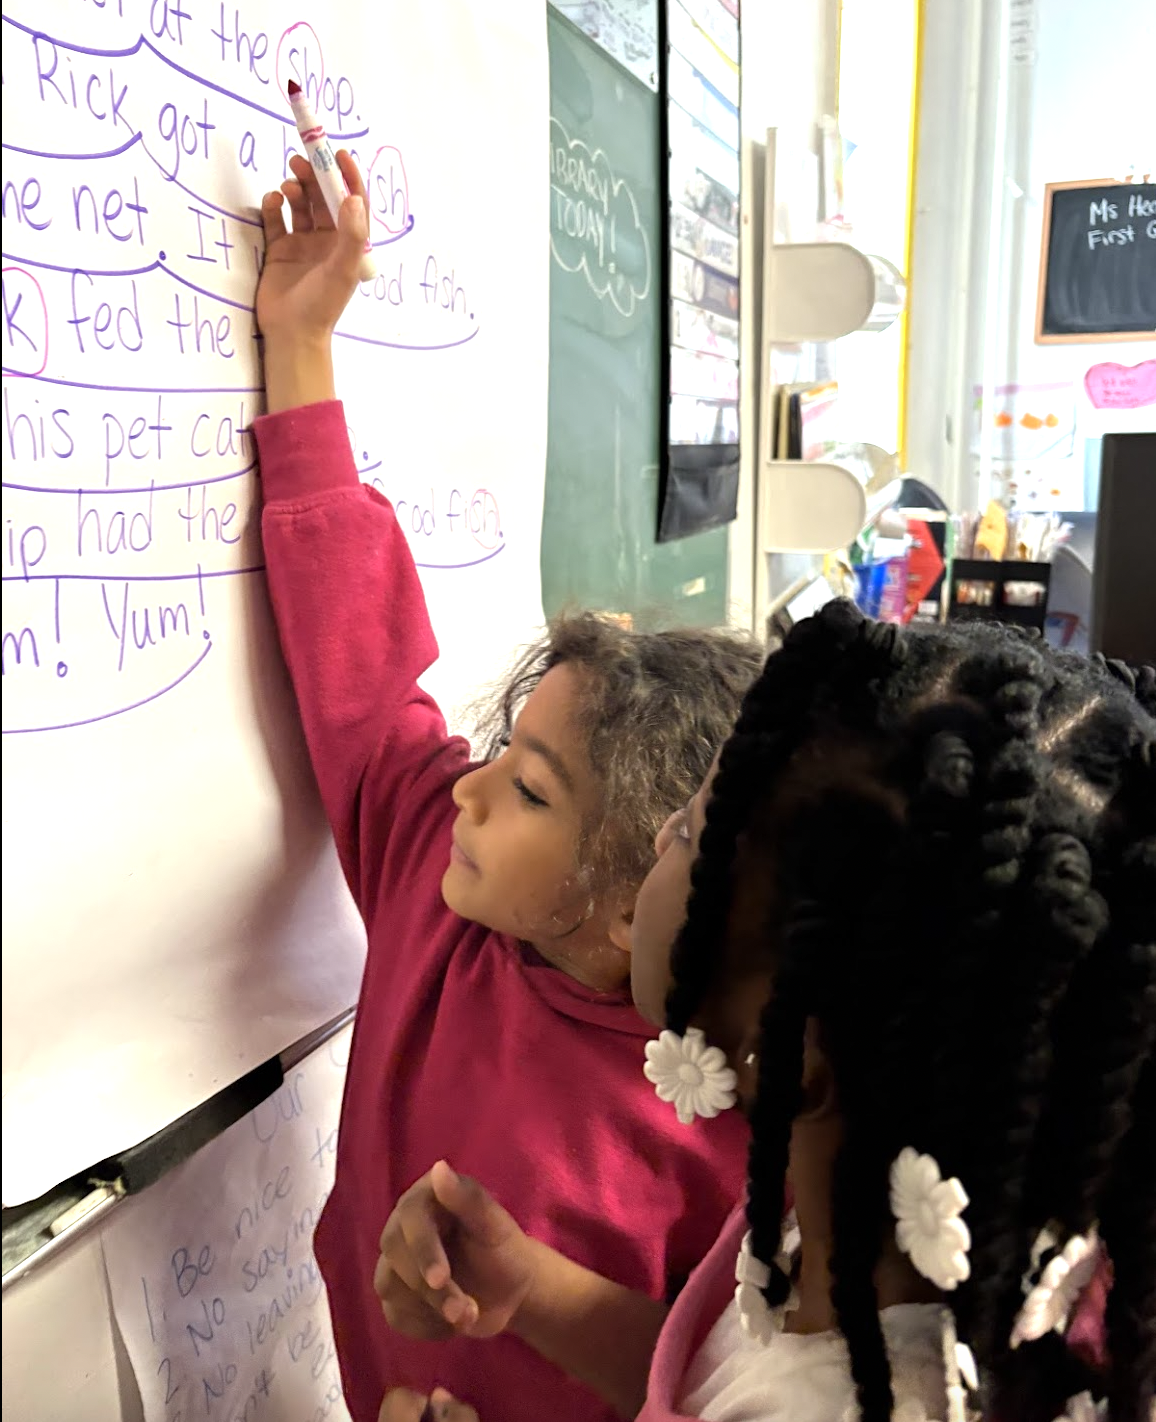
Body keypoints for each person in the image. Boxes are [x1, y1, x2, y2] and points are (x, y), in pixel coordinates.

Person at [253, 153, 759, 1422]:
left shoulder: (732, 1125)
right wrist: (302, 345)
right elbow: (362, 669)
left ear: (646, 877)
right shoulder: (444, 889)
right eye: (498, 759)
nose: (467, 798)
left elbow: (722, 1383)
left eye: (530, 792)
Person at [377, 603, 1155, 1422]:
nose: (666, 835)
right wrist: (534, 1288)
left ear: (791, 1049)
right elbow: (707, 1375)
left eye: (690, 833)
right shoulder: (842, 1226)